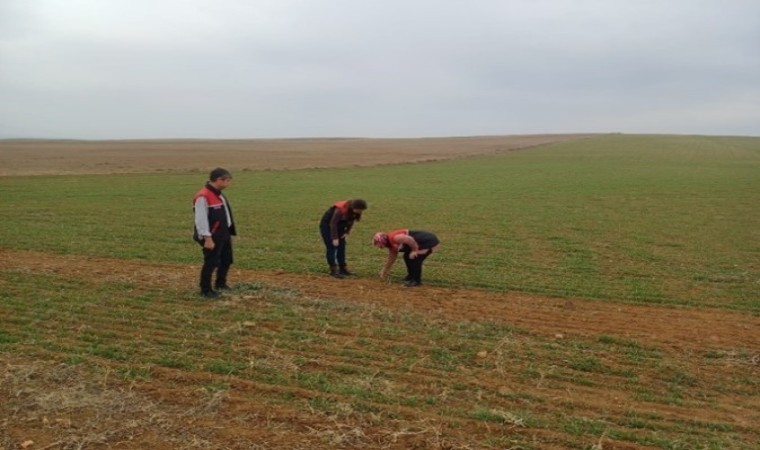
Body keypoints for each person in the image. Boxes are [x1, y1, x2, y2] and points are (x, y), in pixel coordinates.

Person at [193, 168, 236, 298]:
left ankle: (220, 284)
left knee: (226, 260)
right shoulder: (203, 196)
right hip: (212, 235)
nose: (228, 183)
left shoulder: (219, 194)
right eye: (227, 180)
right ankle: (205, 290)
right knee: (211, 262)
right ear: (219, 180)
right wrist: (207, 238)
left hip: (224, 233)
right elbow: (200, 220)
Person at [373, 229, 440, 287]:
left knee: (415, 259)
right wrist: (385, 270)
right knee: (407, 257)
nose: (378, 245)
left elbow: (409, 239)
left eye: (377, 242)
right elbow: (391, 258)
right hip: (420, 243)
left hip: (428, 241)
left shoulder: (395, 238)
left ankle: (416, 280)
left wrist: (414, 251)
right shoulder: (391, 245)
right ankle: (411, 276)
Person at [319, 199, 368, 278]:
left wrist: (346, 232)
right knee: (332, 247)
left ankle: (343, 269)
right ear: (353, 207)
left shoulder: (353, 211)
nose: (360, 212)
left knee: (341, 247)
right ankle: (333, 270)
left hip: (340, 226)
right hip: (327, 226)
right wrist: (334, 237)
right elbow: (333, 223)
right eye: (359, 210)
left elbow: (351, 220)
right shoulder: (340, 210)